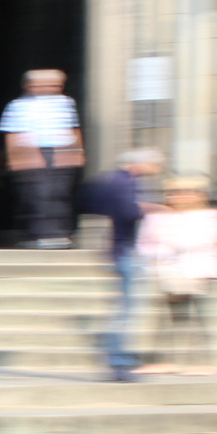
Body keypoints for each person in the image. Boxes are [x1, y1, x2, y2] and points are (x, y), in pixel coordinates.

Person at [79, 150, 167, 382]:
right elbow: (127, 212)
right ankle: (117, 362)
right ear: (143, 163)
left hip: (122, 251)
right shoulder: (124, 181)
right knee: (126, 311)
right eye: (156, 164)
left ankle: (119, 360)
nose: (158, 168)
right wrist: (153, 208)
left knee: (127, 309)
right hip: (125, 252)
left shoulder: (120, 180)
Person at [136, 177, 217, 376]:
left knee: (194, 315)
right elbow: (145, 242)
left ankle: (201, 362)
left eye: (185, 191)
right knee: (167, 317)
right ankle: (163, 361)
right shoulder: (159, 215)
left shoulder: (210, 216)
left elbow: (201, 240)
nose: (177, 196)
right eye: (173, 192)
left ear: (200, 195)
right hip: (166, 270)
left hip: (196, 270)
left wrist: (167, 241)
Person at [0, 69, 84, 249]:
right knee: (36, 196)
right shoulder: (17, 105)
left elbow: (73, 130)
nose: (51, 87)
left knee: (59, 194)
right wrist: (17, 157)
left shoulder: (66, 102)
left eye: (54, 84)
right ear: (31, 86)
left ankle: (59, 234)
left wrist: (76, 152)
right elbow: (12, 134)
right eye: (44, 83)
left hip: (61, 153)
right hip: (30, 153)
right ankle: (38, 234)